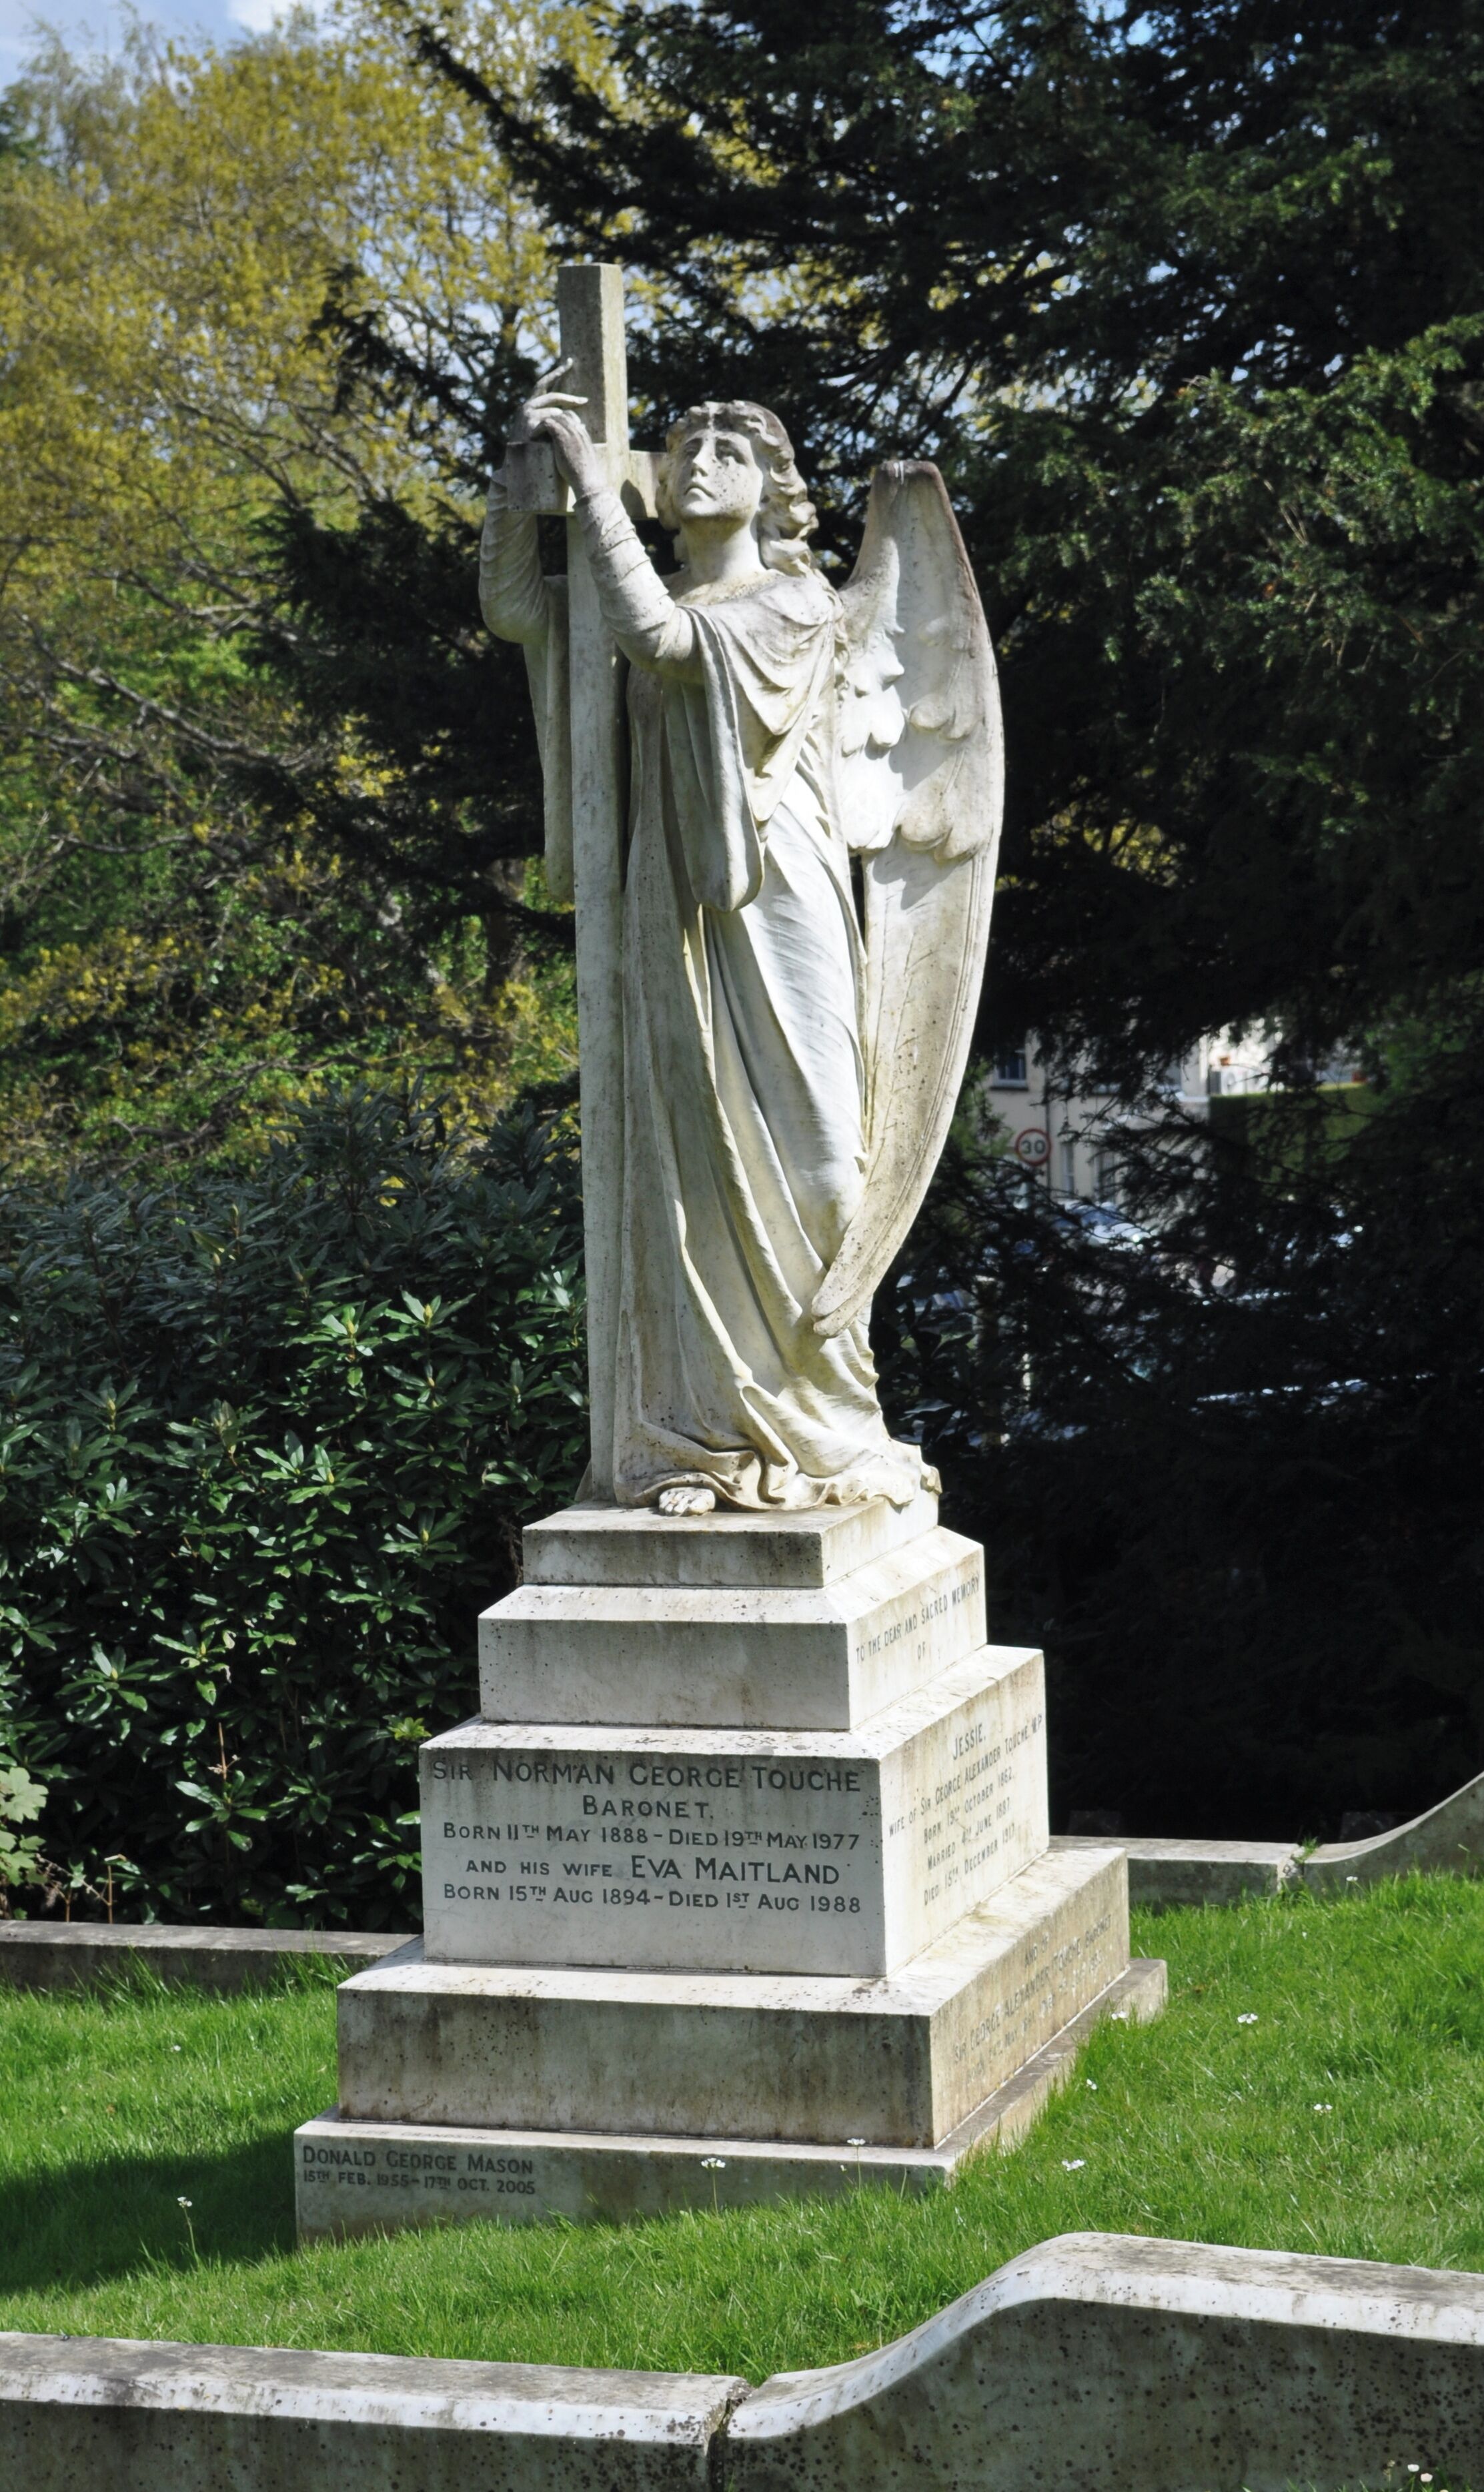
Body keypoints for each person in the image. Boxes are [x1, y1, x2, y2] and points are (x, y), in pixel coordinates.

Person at [480, 388, 937, 1515]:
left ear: (772, 486)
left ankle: (832, 1423)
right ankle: (698, 1436)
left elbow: (667, 640)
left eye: (732, 451)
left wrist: (592, 485)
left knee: (830, 1172)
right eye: (685, 447)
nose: (701, 463)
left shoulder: (796, 604)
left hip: (783, 895)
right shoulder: (622, 583)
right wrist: (516, 481)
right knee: (687, 1169)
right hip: (671, 904)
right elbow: (508, 609)